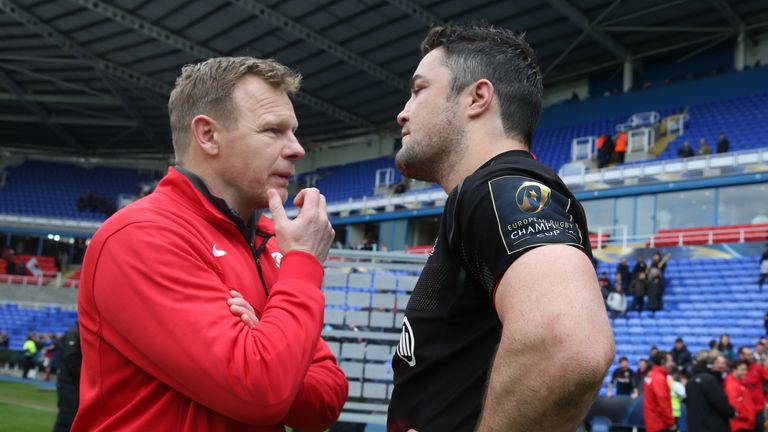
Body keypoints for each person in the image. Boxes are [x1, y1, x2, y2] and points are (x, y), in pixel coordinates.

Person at [73, 57, 348, 431]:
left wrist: (268, 352)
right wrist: (299, 270)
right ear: (207, 135)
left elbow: (327, 400)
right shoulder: (141, 235)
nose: (297, 148)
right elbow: (262, 390)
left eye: (293, 131)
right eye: (273, 130)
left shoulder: (271, 241)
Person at [387, 24, 614, 432]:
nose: (403, 111)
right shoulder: (480, 198)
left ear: (477, 97)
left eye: (419, 90)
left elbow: (568, 346)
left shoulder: (499, 188)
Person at [686, 354, 734, 432]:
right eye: (718, 363)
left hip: (695, 425)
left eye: (723, 363)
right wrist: (732, 412)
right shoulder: (710, 380)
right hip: (711, 425)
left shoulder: (691, 380)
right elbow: (720, 403)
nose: (721, 366)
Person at [53, 323, 81, 432]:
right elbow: (71, 360)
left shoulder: (76, 332)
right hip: (69, 383)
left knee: (72, 418)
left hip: (74, 383)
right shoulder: (73, 333)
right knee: (67, 418)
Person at [644, 351, 677, 432]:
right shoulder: (659, 378)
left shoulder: (650, 375)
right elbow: (663, 402)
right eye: (670, 361)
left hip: (652, 424)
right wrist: (671, 422)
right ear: (663, 362)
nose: (672, 364)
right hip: (660, 424)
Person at [738, 346, 768, 432]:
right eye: (748, 355)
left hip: (757, 409)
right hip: (743, 411)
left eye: (751, 354)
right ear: (741, 356)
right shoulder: (735, 370)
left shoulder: (757, 368)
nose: (750, 357)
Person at [726, 360, 757, 432]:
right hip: (740, 425)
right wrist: (748, 416)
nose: (745, 372)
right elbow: (734, 406)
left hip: (745, 424)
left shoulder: (740, 383)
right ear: (734, 370)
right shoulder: (732, 385)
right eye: (742, 370)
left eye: (746, 370)